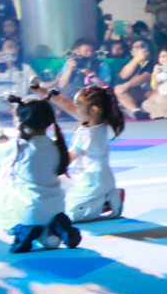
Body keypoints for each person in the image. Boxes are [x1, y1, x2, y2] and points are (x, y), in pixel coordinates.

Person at [0, 98, 82, 253]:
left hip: (29, 211)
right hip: (56, 208)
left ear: (22, 123)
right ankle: (58, 227)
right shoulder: (56, 146)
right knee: (50, 243)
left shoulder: (16, 146)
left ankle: (20, 229)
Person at [46, 84, 124, 221]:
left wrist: (49, 162)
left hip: (94, 181)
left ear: (93, 110)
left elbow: (69, 157)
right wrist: (45, 92)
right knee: (58, 185)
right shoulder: (98, 124)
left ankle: (104, 201)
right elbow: (68, 106)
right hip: (93, 178)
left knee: (67, 215)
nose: (75, 109)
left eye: (79, 106)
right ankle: (104, 197)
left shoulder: (87, 135)